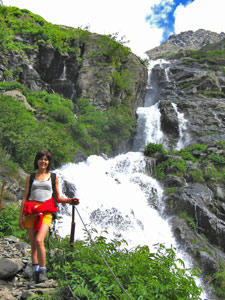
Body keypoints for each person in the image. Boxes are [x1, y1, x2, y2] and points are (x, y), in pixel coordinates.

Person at [18, 150, 79, 283]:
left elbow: (57, 197)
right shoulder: (31, 177)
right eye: (41, 159)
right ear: (37, 161)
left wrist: (70, 200)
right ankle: (35, 271)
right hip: (31, 211)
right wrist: (20, 217)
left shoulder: (53, 177)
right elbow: (25, 197)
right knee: (33, 244)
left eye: (46, 160)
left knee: (40, 240)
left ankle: (43, 271)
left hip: (46, 212)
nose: (43, 162)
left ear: (48, 162)